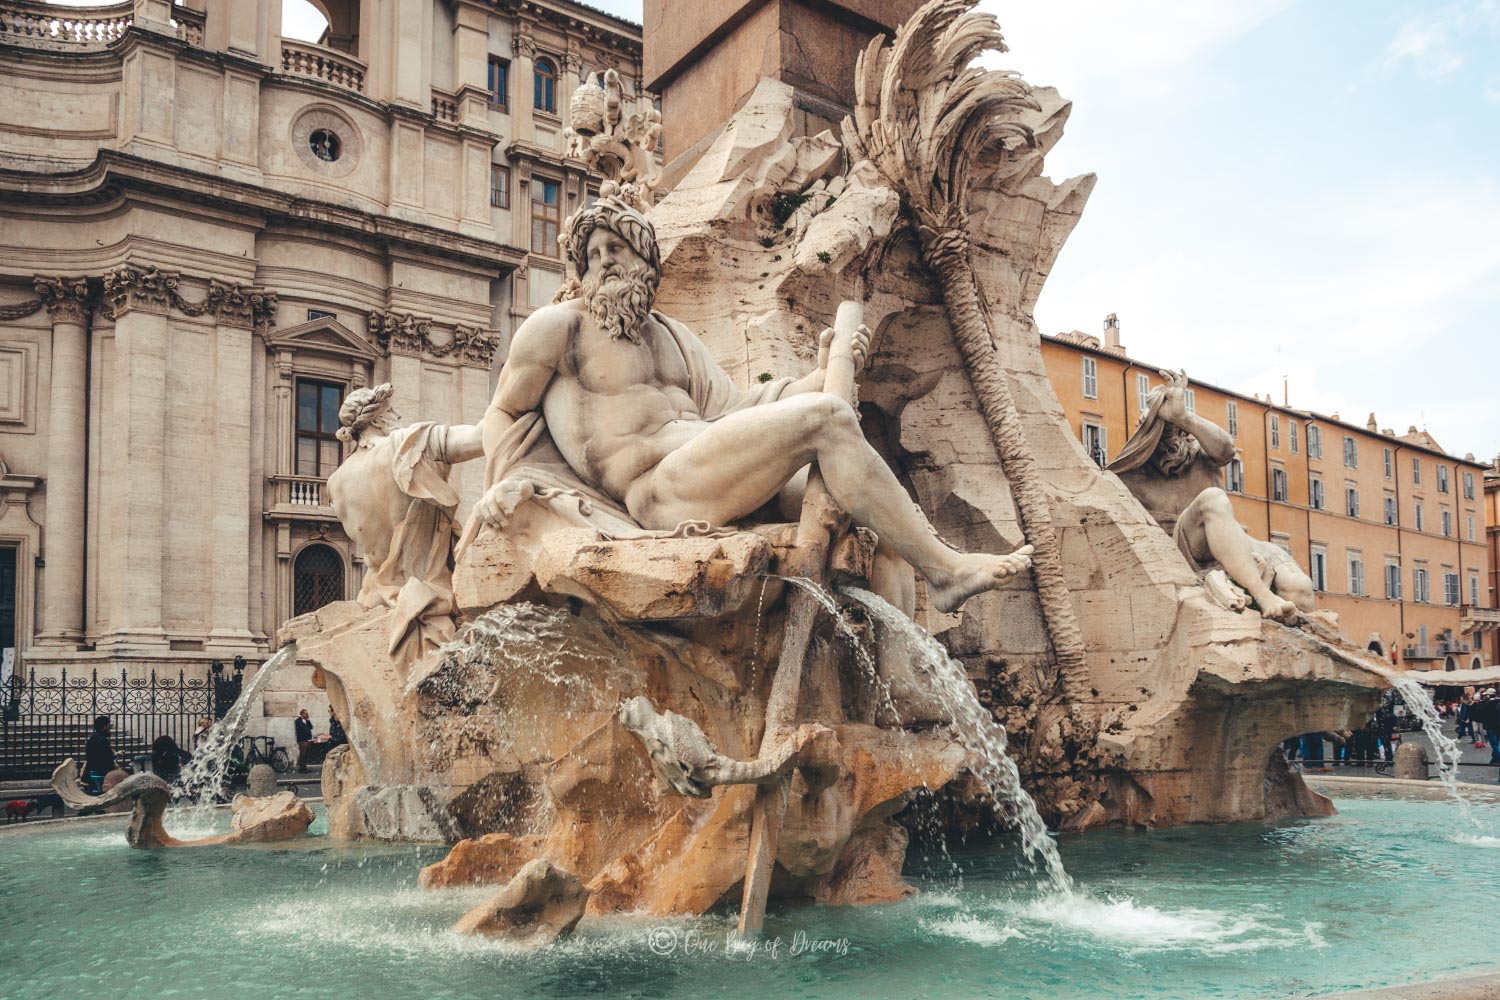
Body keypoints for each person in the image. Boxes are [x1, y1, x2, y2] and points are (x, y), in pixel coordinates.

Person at [467, 195, 1033, 617]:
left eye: (616, 248)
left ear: (645, 260)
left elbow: (740, 407)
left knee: (873, 526)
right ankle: (948, 569)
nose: (604, 263)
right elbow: (502, 412)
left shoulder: (673, 336)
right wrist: (507, 478)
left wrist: (823, 369)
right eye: (591, 256)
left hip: (709, 468)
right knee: (829, 419)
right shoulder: (557, 329)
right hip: (656, 493)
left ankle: (897, 691)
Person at [1107, 371, 1313, 620]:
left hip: (1231, 540)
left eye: (1175, 429)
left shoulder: (1204, 455)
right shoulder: (1133, 474)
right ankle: (1263, 595)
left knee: (1300, 589)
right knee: (1212, 498)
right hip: (1184, 548)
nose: (1170, 437)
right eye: (1162, 429)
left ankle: (1290, 626)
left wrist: (1184, 416)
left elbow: (1226, 450)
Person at [82, 715, 116, 794]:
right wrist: (114, 756)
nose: (109, 728)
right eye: (108, 725)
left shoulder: (92, 738)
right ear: (104, 727)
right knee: (101, 793)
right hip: (101, 771)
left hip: (91, 770)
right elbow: (107, 758)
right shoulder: (103, 740)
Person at [294, 708, 314, 773]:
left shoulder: (307, 721)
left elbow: (311, 727)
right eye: (306, 713)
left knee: (306, 754)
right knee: (303, 754)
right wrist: (306, 728)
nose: (307, 715)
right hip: (302, 740)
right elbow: (302, 730)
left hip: (308, 739)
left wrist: (308, 720)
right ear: (302, 714)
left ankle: (305, 767)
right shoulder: (297, 721)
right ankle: (301, 768)